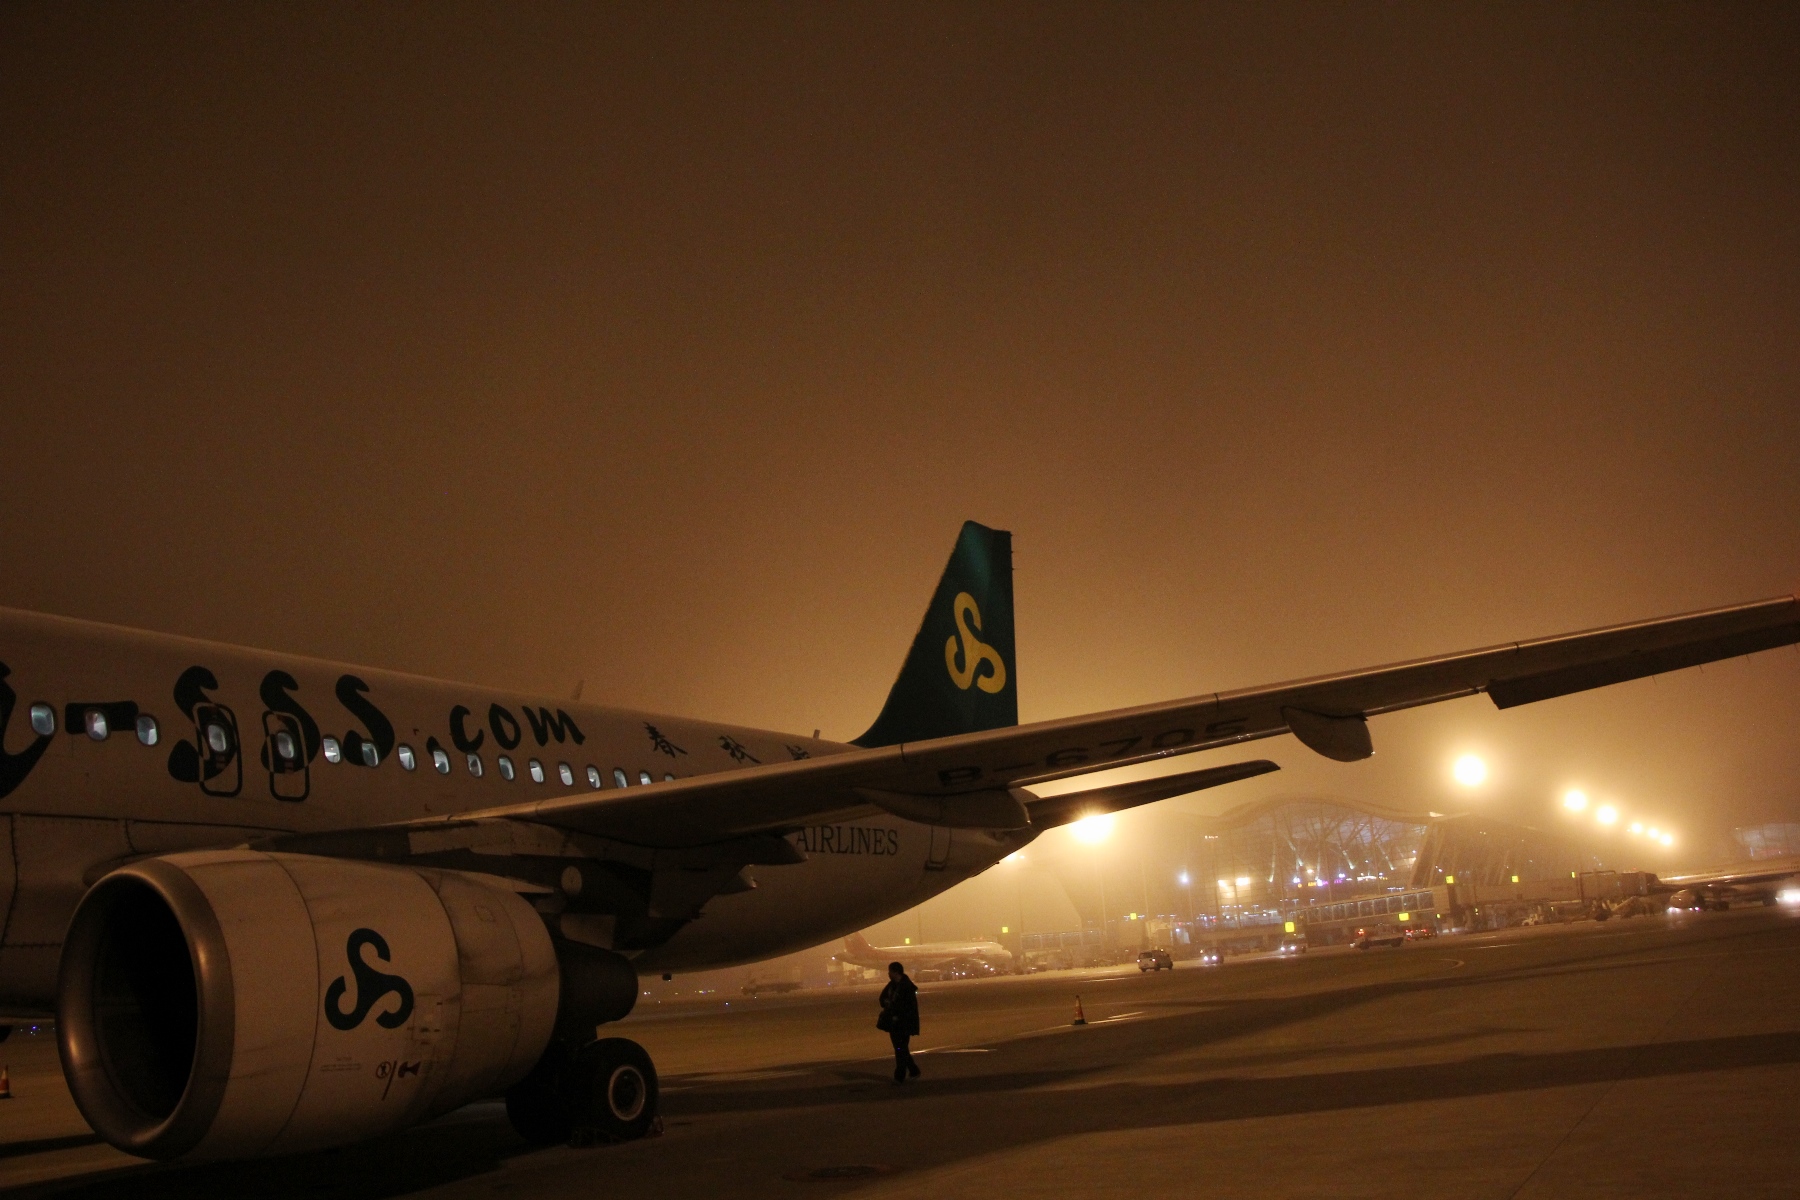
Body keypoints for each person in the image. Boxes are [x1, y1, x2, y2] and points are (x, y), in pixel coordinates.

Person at [876, 960, 920, 1083]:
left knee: (900, 1049)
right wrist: (887, 1003)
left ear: (896, 972)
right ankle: (913, 1070)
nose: (888, 974)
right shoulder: (892, 985)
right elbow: (882, 998)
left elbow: (908, 1007)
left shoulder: (906, 987)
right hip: (894, 1023)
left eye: (890, 971)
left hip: (903, 1023)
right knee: (901, 1048)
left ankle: (900, 1076)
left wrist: (895, 1011)